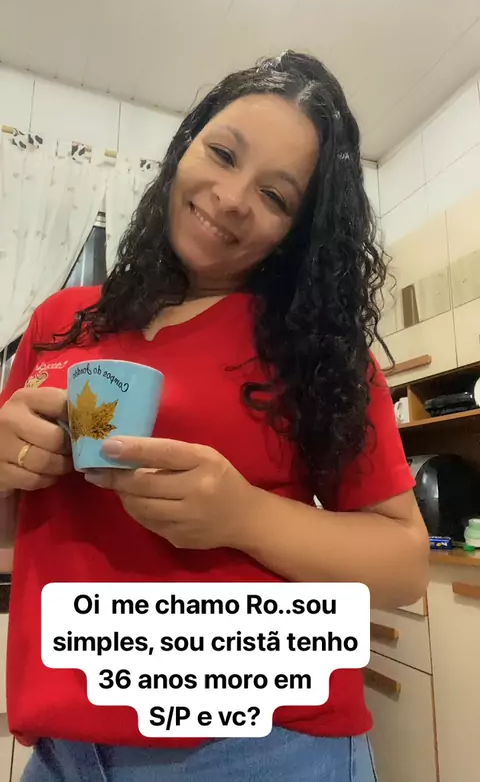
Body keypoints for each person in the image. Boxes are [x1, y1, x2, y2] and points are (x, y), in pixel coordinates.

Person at [0, 50, 429, 781]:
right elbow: (14, 538)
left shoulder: (316, 349)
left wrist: (242, 516)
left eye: (276, 196)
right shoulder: (61, 322)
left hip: (262, 747)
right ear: (185, 148)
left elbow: (404, 566)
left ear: (297, 231)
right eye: (223, 154)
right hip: (63, 750)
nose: (231, 198)